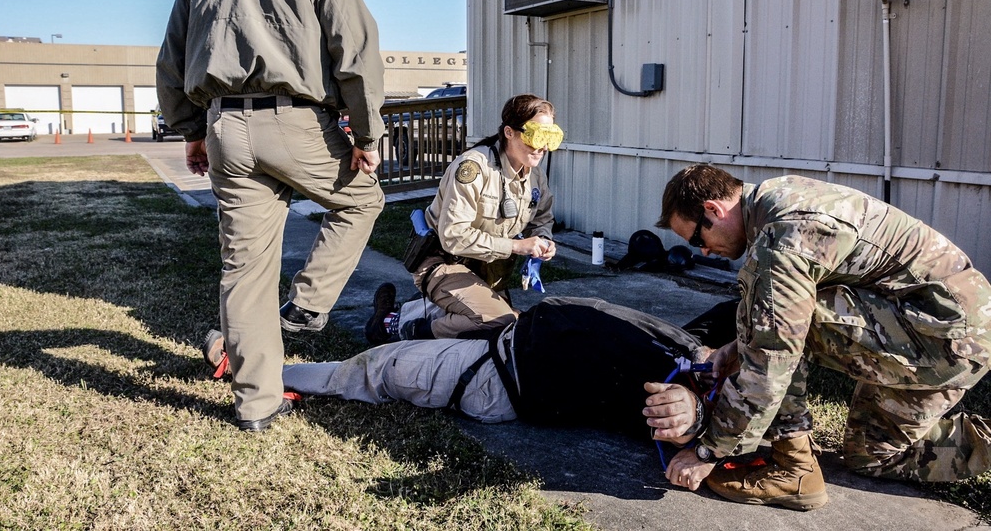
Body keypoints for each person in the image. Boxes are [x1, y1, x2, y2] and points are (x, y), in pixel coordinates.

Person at [156, 0, 386, 431]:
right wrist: (367, 138)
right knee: (362, 201)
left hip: (223, 127)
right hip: (294, 121)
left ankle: (257, 407)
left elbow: (171, 59)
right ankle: (307, 302)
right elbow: (355, 54)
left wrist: (191, 131)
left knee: (245, 270)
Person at [647, 163, 991, 510]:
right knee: (870, 456)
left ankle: (794, 470)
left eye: (696, 239)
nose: (702, 251)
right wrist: (735, 348)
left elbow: (772, 357)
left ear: (713, 209)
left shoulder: (782, 235)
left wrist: (709, 450)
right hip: (949, 333)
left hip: (947, 336)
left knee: (774, 321)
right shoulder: (777, 198)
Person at [206, 296, 735, 438]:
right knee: (444, 314)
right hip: (503, 340)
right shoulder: (695, 350)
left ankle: (246, 365)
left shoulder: (680, 391)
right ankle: (396, 316)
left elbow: (683, 430)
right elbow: (732, 320)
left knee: (366, 372)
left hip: (488, 375)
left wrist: (692, 399)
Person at [366, 94, 561, 342]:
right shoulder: (473, 168)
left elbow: (542, 218)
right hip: (442, 262)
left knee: (517, 328)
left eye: (551, 137)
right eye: (536, 136)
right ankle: (394, 327)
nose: (543, 146)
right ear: (509, 132)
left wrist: (543, 239)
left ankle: (406, 312)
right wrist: (516, 246)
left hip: (486, 271)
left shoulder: (534, 175)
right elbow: (453, 236)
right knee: (498, 321)